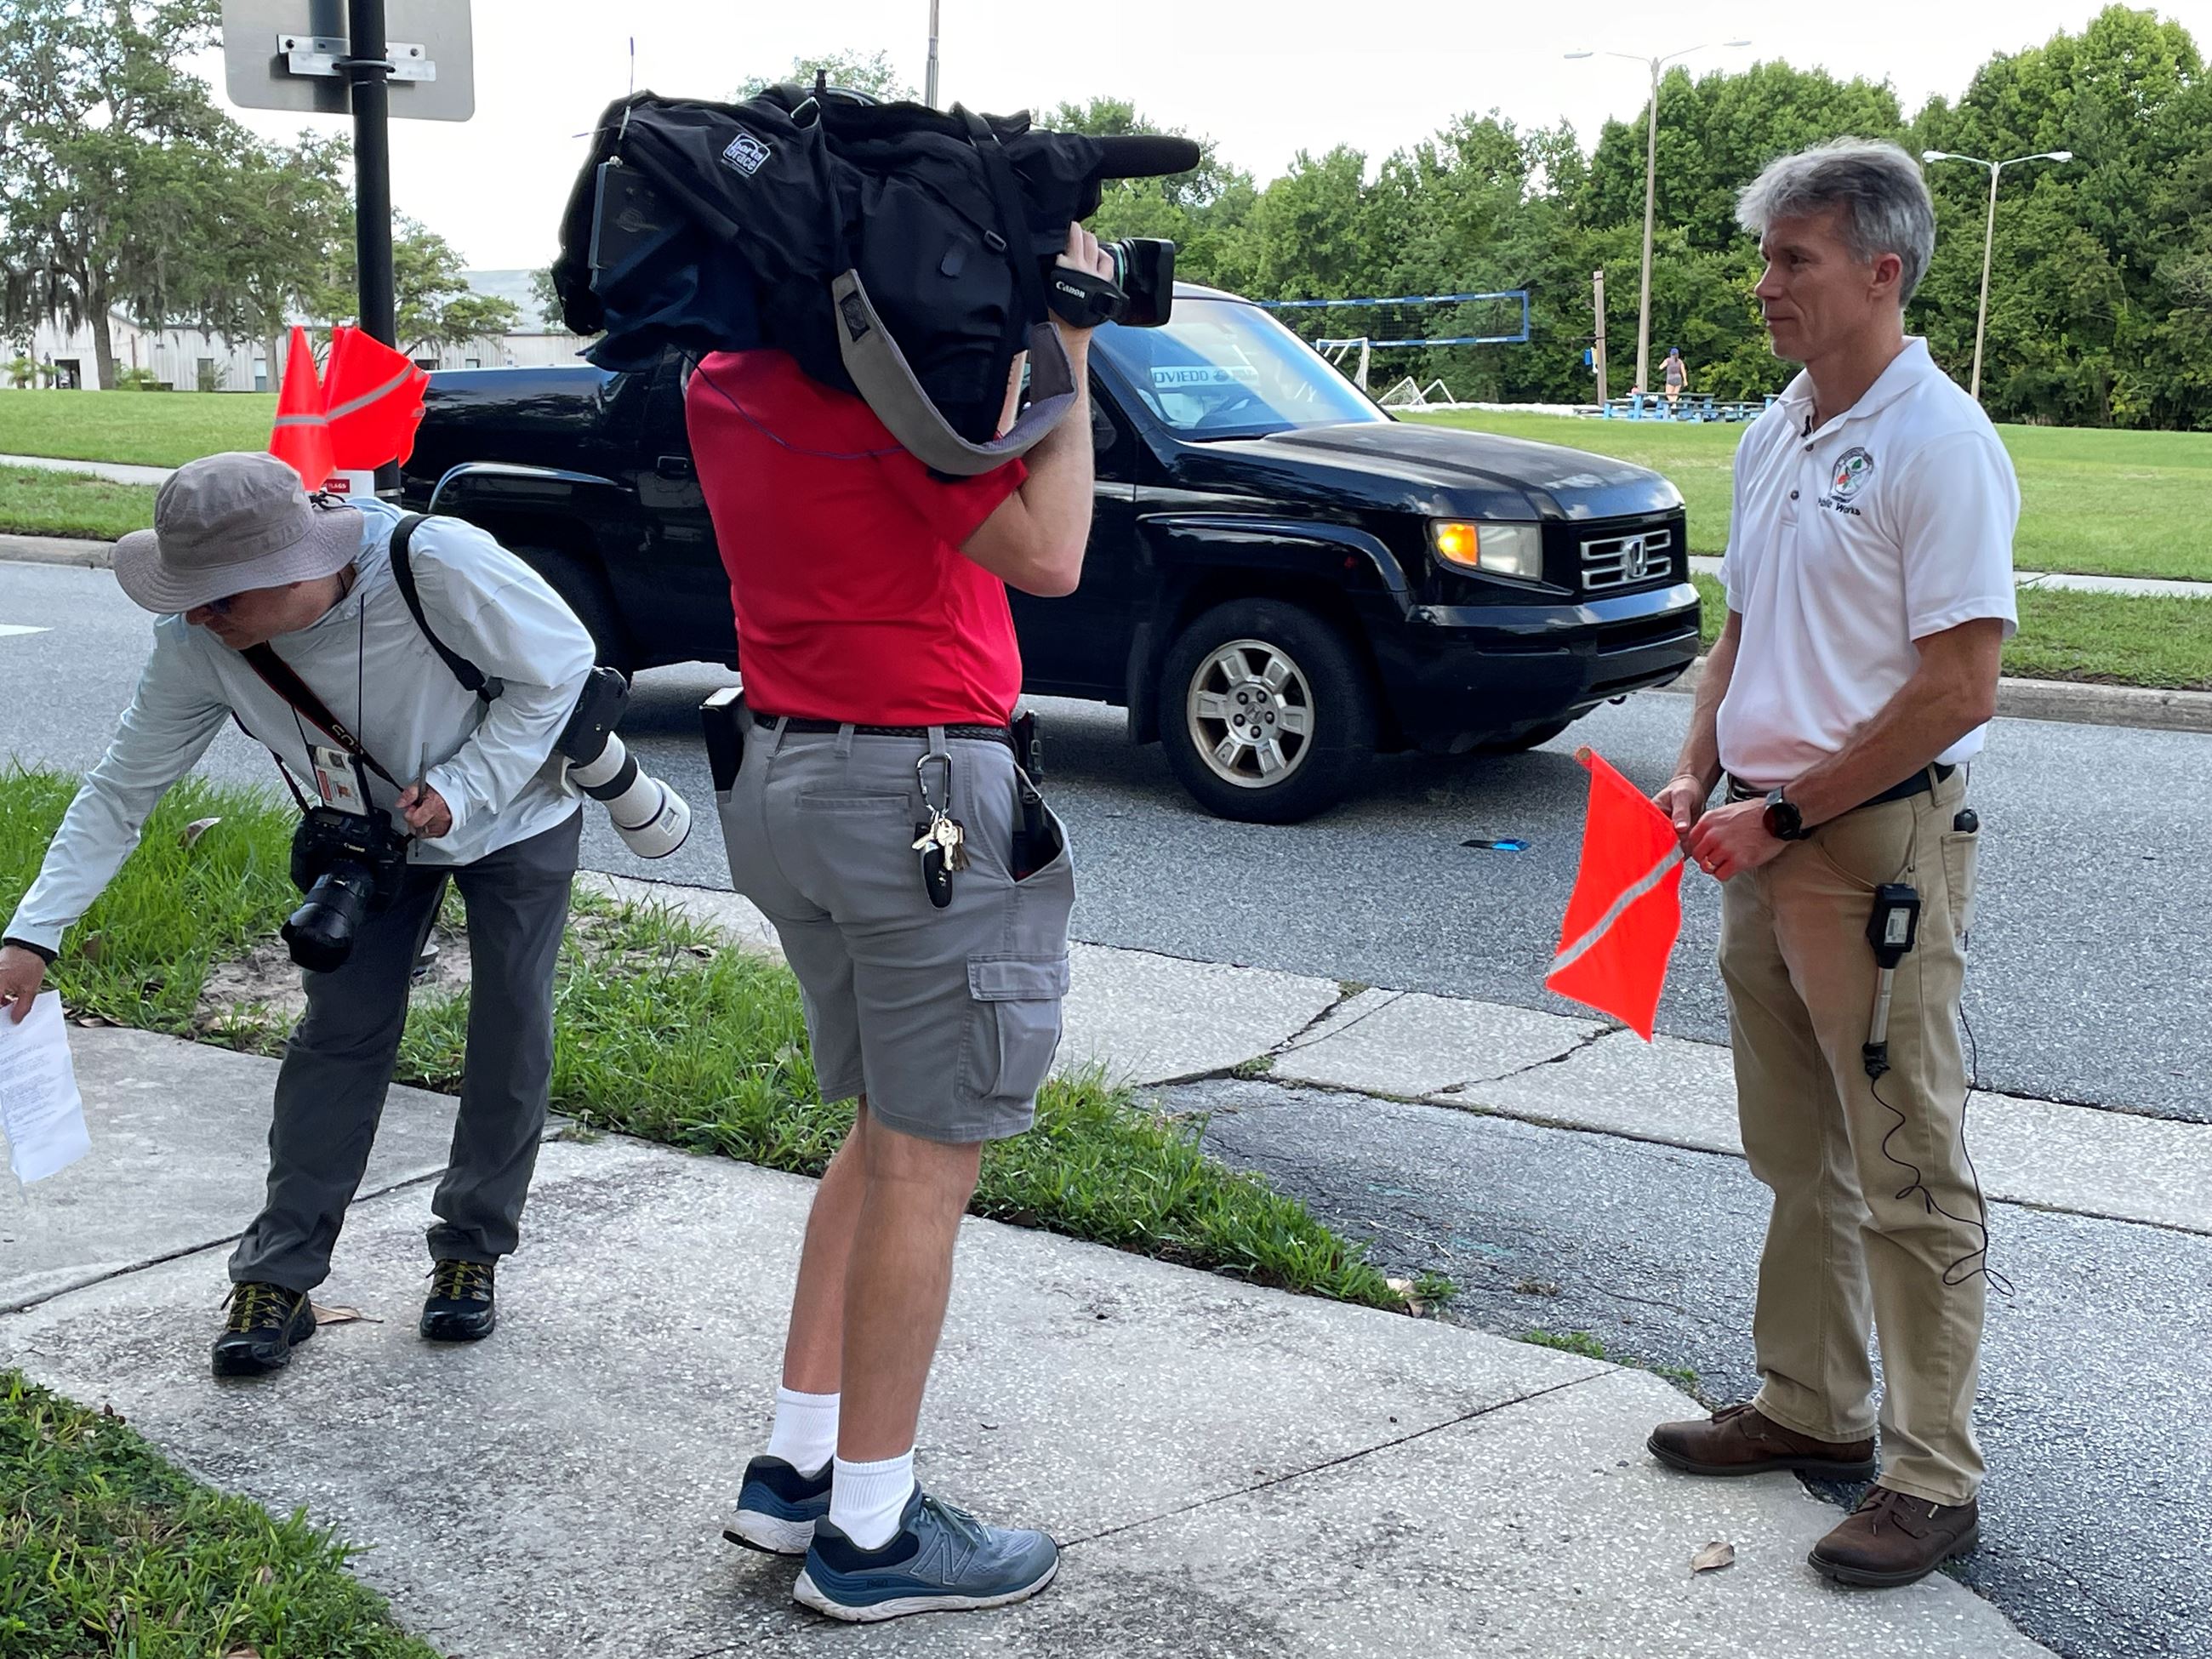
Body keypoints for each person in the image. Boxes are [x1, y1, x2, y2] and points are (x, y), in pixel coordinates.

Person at [683, 225, 1111, 1621]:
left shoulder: (725, 372)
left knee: (881, 1132)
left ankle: (798, 1465)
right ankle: (872, 1533)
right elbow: (1051, 551)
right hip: (912, 788)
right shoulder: (889, 386)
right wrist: (1070, 344)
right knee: (927, 1160)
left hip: (787, 778)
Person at [0, 453, 596, 1377]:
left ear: (295, 566)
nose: (196, 615)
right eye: (184, 593)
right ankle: (278, 1273)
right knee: (336, 1037)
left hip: (517, 815)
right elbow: (121, 790)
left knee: (510, 1022)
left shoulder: (435, 565)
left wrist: (467, 787)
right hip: (366, 842)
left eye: (217, 597)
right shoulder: (199, 644)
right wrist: (34, 931)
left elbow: (559, 668)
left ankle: (471, 1251)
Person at [1645, 140, 2019, 1588]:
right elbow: (1742, 632)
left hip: (1868, 846)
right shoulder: (1781, 426)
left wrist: (1785, 813)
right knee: (1797, 1149)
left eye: (1793, 260)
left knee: (1906, 1162)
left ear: (1881, 270)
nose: (1765, 285)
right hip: (1758, 828)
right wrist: (1699, 764)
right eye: (1766, 258)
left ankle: (1931, 1477)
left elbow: (1959, 687)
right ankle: (1810, 1402)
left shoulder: (1939, 441)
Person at [1662, 345, 1688, 409]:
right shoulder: (1680, 361)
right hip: (1678, 379)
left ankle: (1674, 403)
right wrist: (1685, 380)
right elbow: (1683, 371)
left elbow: (1661, 367)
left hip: (1670, 379)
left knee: (1668, 394)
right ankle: (1674, 404)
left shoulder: (1668, 360)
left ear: (1671, 354)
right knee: (1675, 394)